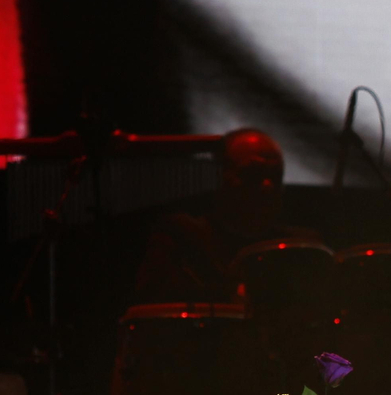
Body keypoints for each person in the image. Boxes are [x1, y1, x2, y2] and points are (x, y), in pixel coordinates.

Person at [133, 127, 317, 305]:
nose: (267, 186)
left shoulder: (301, 248)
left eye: (275, 176)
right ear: (219, 178)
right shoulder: (181, 239)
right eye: (253, 173)